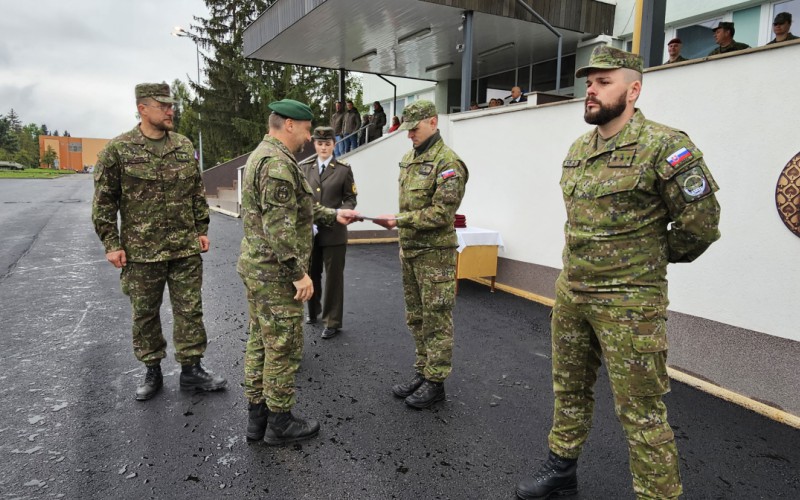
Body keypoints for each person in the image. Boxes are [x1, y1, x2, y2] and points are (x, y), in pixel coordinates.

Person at [515, 46, 721, 500]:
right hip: (573, 293)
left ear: (633, 90)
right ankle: (561, 472)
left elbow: (701, 224)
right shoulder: (579, 148)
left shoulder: (665, 147)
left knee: (641, 410)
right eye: (589, 81)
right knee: (568, 389)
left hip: (629, 303)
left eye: (604, 81)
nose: (591, 89)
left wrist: (645, 261)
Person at [92, 82, 227, 401]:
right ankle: (151, 370)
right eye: (163, 106)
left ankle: (192, 370)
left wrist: (201, 228)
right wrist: (112, 243)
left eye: (171, 105)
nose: (171, 111)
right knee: (145, 313)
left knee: (190, 310)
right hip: (142, 253)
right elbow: (104, 202)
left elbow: (196, 189)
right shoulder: (119, 149)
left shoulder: (182, 145)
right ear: (142, 108)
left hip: (184, 247)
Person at [238, 99, 358, 446]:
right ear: (289, 124)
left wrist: (332, 215)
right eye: (307, 129)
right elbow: (279, 229)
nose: (309, 137)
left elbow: (300, 207)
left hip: (259, 269)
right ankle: (280, 420)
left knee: (260, 342)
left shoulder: (265, 155)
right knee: (283, 346)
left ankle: (256, 418)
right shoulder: (277, 163)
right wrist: (298, 274)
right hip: (275, 274)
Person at [372, 100, 468, 409]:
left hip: (435, 255)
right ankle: (423, 370)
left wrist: (399, 221)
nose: (409, 135)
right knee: (416, 317)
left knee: (436, 318)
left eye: (414, 128)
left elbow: (442, 213)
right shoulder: (408, 159)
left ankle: (436, 381)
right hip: (410, 250)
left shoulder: (448, 163)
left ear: (433, 122)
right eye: (407, 129)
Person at [299, 126, 358, 339]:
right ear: (314, 144)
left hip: (334, 232)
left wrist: (342, 211)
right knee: (311, 274)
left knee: (333, 278)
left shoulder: (343, 169)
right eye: (320, 143)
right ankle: (312, 311)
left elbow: (350, 198)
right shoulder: (304, 168)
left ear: (334, 144)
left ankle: (332, 321)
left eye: (327, 143)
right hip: (310, 231)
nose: (323, 147)